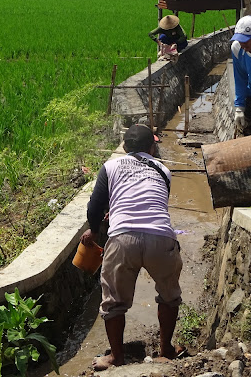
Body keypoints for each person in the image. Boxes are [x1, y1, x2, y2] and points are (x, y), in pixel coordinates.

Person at [80, 124, 183, 370]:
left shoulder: (110, 166)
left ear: (125, 147)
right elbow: (153, 201)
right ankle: (166, 349)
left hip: (122, 239)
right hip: (161, 238)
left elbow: (95, 206)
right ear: (152, 147)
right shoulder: (163, 170)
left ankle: (116, 357)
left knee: (114, 301)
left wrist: (94, 230)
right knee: (169, 296)